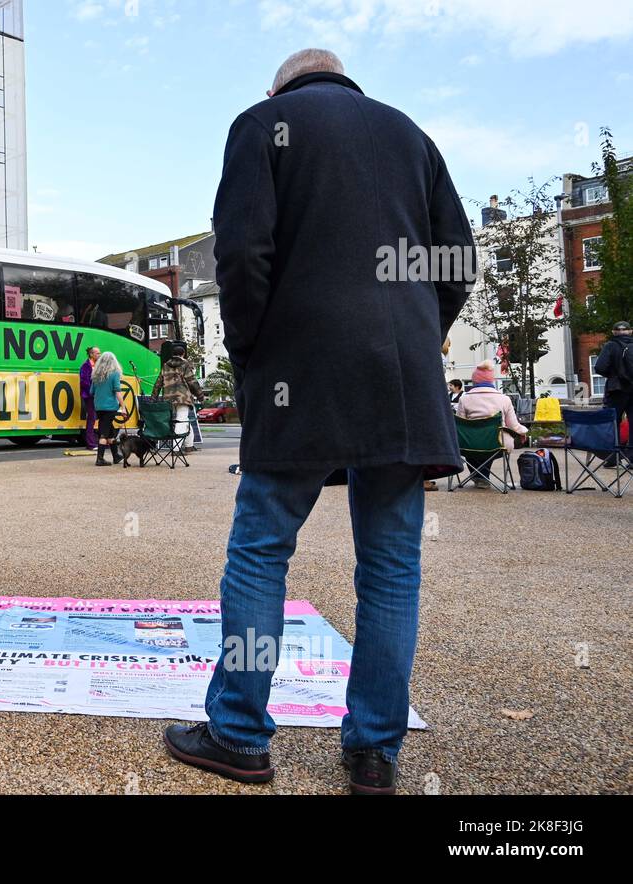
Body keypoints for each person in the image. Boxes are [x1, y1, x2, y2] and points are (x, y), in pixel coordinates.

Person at [162, 49, 474, 795]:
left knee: (262, 550)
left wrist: (252, 351)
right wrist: (413, 332)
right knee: (392, 568)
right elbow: (456, 261)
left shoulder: (263, 123)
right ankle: (373, 754)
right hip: (400, 384)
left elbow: (241, 253)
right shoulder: (411, 135)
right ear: (346, 81)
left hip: (296, 377)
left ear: (280, 84)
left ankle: (238, 736)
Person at [456, 362, 529, 451]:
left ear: (474, 380)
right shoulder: (504, 399)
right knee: (494, 449)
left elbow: (460, 425)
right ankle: (484, 465)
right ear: (491, 380)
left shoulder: (464, 399)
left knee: (474, 454)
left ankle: (479, 465)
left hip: (469, 444)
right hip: (499, 444)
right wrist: (523, 432)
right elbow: (513, 426)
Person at [152, 341, 205, 451]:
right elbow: (192, 382)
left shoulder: (165, 365)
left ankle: (189, 445)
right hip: (183, 398)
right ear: (183, 354)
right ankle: (176, 448)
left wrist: (154, 398)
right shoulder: (185, 364)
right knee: (182, 420)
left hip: (168, 399)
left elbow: (158, 383)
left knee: (185, 420)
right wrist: (200, 396)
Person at [594, 320, 633, 441]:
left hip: (616, 389)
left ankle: (614, 455)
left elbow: (600, 367)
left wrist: (612, 375)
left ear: (614, 332)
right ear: (630, 332)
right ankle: (631, 456)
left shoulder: (610, 346)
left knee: (612, 421)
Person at [91, 351, 126, 466]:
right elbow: (117, 391)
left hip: (98, 406)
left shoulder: (96, 375)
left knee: (110, 432)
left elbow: (92, 392)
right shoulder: (114, 373)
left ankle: (116, 456)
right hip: (110, 407)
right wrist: (123, 407)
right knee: (104, 434)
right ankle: (100, 459)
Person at [80, 346, 102, 451]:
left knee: (98, 417)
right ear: (91, 354)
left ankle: (99, 441)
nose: (99, 355)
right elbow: (84, 381)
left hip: (97, 395)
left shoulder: (98, 365)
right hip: (90, 396)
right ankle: (90, 443)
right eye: (97, 353)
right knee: (91, 418)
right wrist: (92, 391)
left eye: (99, 353)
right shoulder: (85, 366)